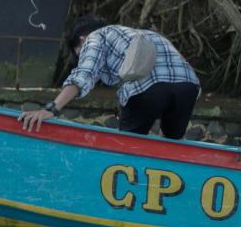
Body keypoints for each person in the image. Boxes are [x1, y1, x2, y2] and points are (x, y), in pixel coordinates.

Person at [18, 16, 201, 139]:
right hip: (188, 87)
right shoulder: (146, 34)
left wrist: (51, 109)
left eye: (79, 54)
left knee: (127, 147)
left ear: (81, 40)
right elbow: (171, 81)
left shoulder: (95, 37)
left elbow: (84, 74)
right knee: (169, 146)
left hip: (146, 89)